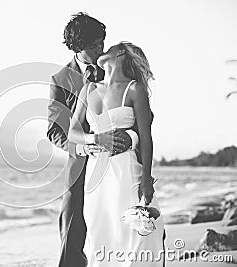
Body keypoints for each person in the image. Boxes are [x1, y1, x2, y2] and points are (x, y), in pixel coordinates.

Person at [47, 13, 139, 267]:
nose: (101, 49)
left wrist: (130, 139)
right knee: (72, 232)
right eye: (93, 46)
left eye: (101, 42)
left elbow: (142, 116)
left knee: (140, 224)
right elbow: (55, 132)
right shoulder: (60, 80)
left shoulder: (116, 66)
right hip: (80, 167)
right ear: (77, 48)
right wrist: (90, 144)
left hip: (122, 163)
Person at [68, 42, 166, 266]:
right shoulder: (89, 89)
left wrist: (146, 179)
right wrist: (94, 138)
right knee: (100, 230)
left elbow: (146, 137)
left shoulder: (134, 89)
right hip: (96, 175)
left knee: (137, 232)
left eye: (109, 47)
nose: (102, 50)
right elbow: (73, 131)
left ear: (121, 52)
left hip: (126, 170)